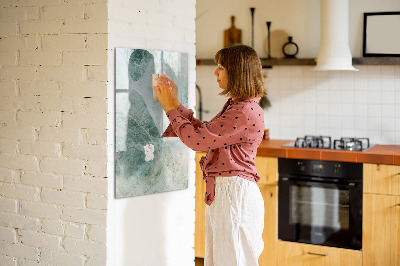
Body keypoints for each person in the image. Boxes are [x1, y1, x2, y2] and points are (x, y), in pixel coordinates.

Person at [153, 44, 266, 266]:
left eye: (221, 67)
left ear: (237, 71)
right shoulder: (239, 106)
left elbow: (197, 141)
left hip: (234, 195)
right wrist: (175, 103)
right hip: (228, 194)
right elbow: (205, 134)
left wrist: (169, 108)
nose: (215, 72)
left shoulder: (243, 111)